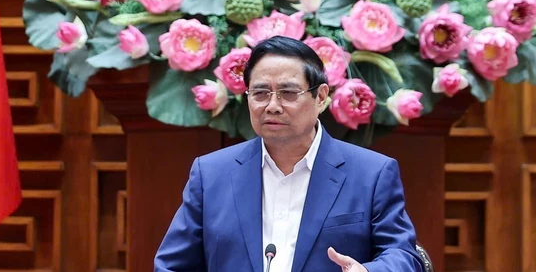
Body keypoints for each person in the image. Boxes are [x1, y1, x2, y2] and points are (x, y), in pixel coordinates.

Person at [154, 36, 423, 272]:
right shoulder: (211, 174)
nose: (272, 106)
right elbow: (172, 265)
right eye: (260, 93)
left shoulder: (372, 174)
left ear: (320, 98)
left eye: (288, 93)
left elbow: (404, 256)